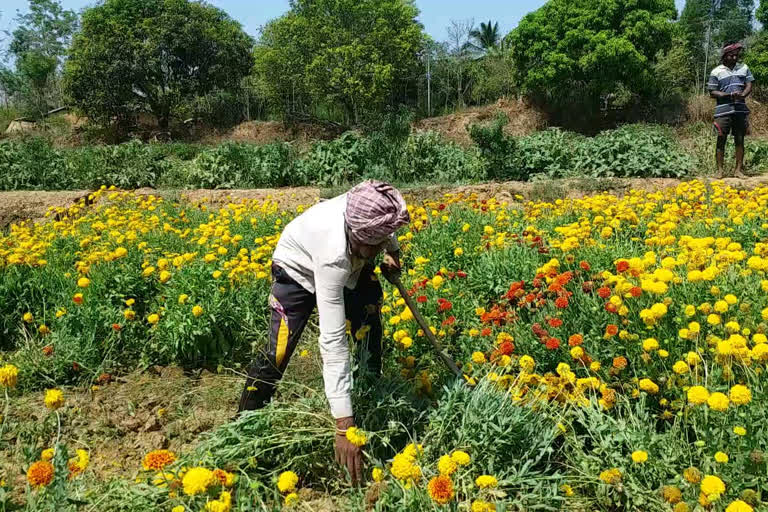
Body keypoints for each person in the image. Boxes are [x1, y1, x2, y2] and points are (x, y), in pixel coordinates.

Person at [237, 180, 410, 483]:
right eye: (374, 244)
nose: (377, 247)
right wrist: (344, 426)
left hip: (348, 260)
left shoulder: (368, 204)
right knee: (278, 350)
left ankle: (370, 397)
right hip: (296, 270)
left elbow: (384, 222)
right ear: (357, 234)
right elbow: (332, 342)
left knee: (369, 323)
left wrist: (391, 250)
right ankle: (243, 429)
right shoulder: (333, 255)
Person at [708, 41, 754, 178]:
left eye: (736, 55)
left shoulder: (744, 68)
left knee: (740, 139)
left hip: (740, 110)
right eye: (732, 55)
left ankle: (738, 170)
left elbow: (749, 85)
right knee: (721, 138)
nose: (735, 58)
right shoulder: (716, 71)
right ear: (725, 56)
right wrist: (728, 95)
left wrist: (743, 95)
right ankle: (720, 171)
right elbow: (712, 92)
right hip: (723, 110)